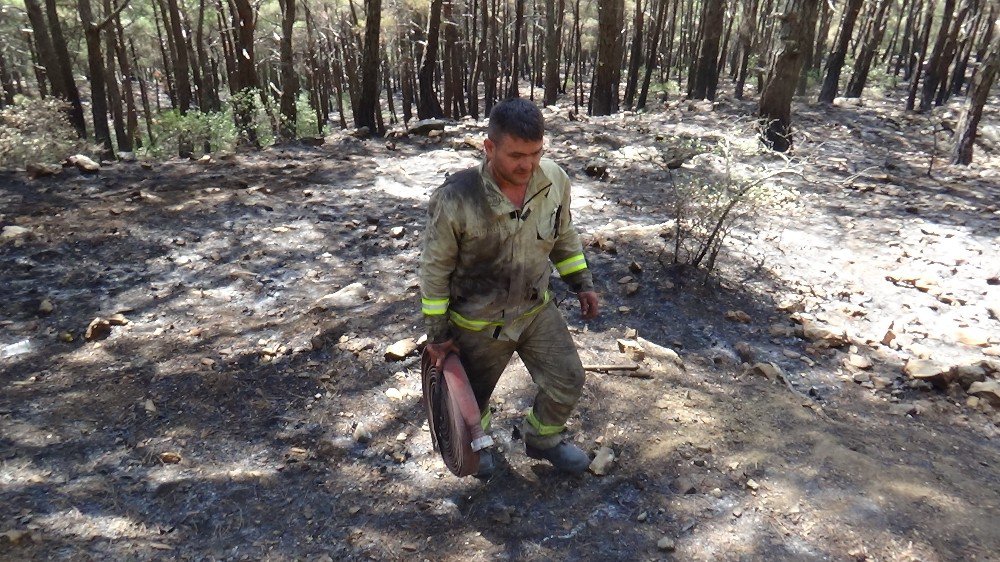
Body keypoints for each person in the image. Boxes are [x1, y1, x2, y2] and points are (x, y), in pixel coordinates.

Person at [419, 98, 599, 478]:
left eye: (535, 153)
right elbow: (435, 269)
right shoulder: (456, 198)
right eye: (517, 155)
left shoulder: (554, 181)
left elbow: (563, 235)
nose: (527, 165)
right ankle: (477, 444)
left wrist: (582, 282)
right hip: (477, 322)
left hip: (534, 309)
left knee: (567, 378)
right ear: (489, 148)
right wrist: (437, 335)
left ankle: (543, 440)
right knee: (473, 398)